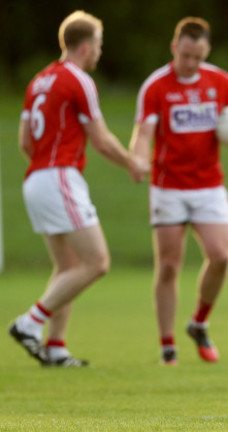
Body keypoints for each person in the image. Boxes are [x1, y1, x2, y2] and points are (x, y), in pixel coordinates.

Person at [8, 10, 149, 367]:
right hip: (58, 177)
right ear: (86, 46)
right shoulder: (78, 80)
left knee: (67, 266)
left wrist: (46, 163)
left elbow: (25, 141)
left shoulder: (38, 81)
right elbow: (100, 140)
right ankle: (30, 322)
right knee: (97, 261)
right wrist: (132, 162)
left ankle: (55, 348)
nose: (100, 52)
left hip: (36, 178)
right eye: (99, 45)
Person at [129, 17, 228, 365]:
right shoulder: (156, 86)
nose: (191, 63)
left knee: (221, 257)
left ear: (205, 52)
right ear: (175, 48)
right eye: (186, 55)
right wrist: (137, 159)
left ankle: (199, 322)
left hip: (209, 186)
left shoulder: (220, 81)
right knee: (169, 267)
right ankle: (167, 346)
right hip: (168, 188)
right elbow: (143, 133)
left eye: (198, 56)